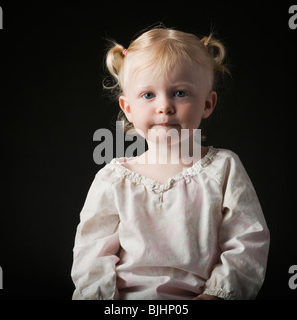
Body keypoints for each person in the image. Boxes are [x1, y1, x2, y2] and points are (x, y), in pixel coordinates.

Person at [71, 26, 270, 300]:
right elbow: (91, 254)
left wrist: (217, 295)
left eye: (180, 93)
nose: (164, 106)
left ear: (208, 104)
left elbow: (247, 242)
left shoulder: (223, 168)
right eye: (148, 95)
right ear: (127, 108)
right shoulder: (114, 179)